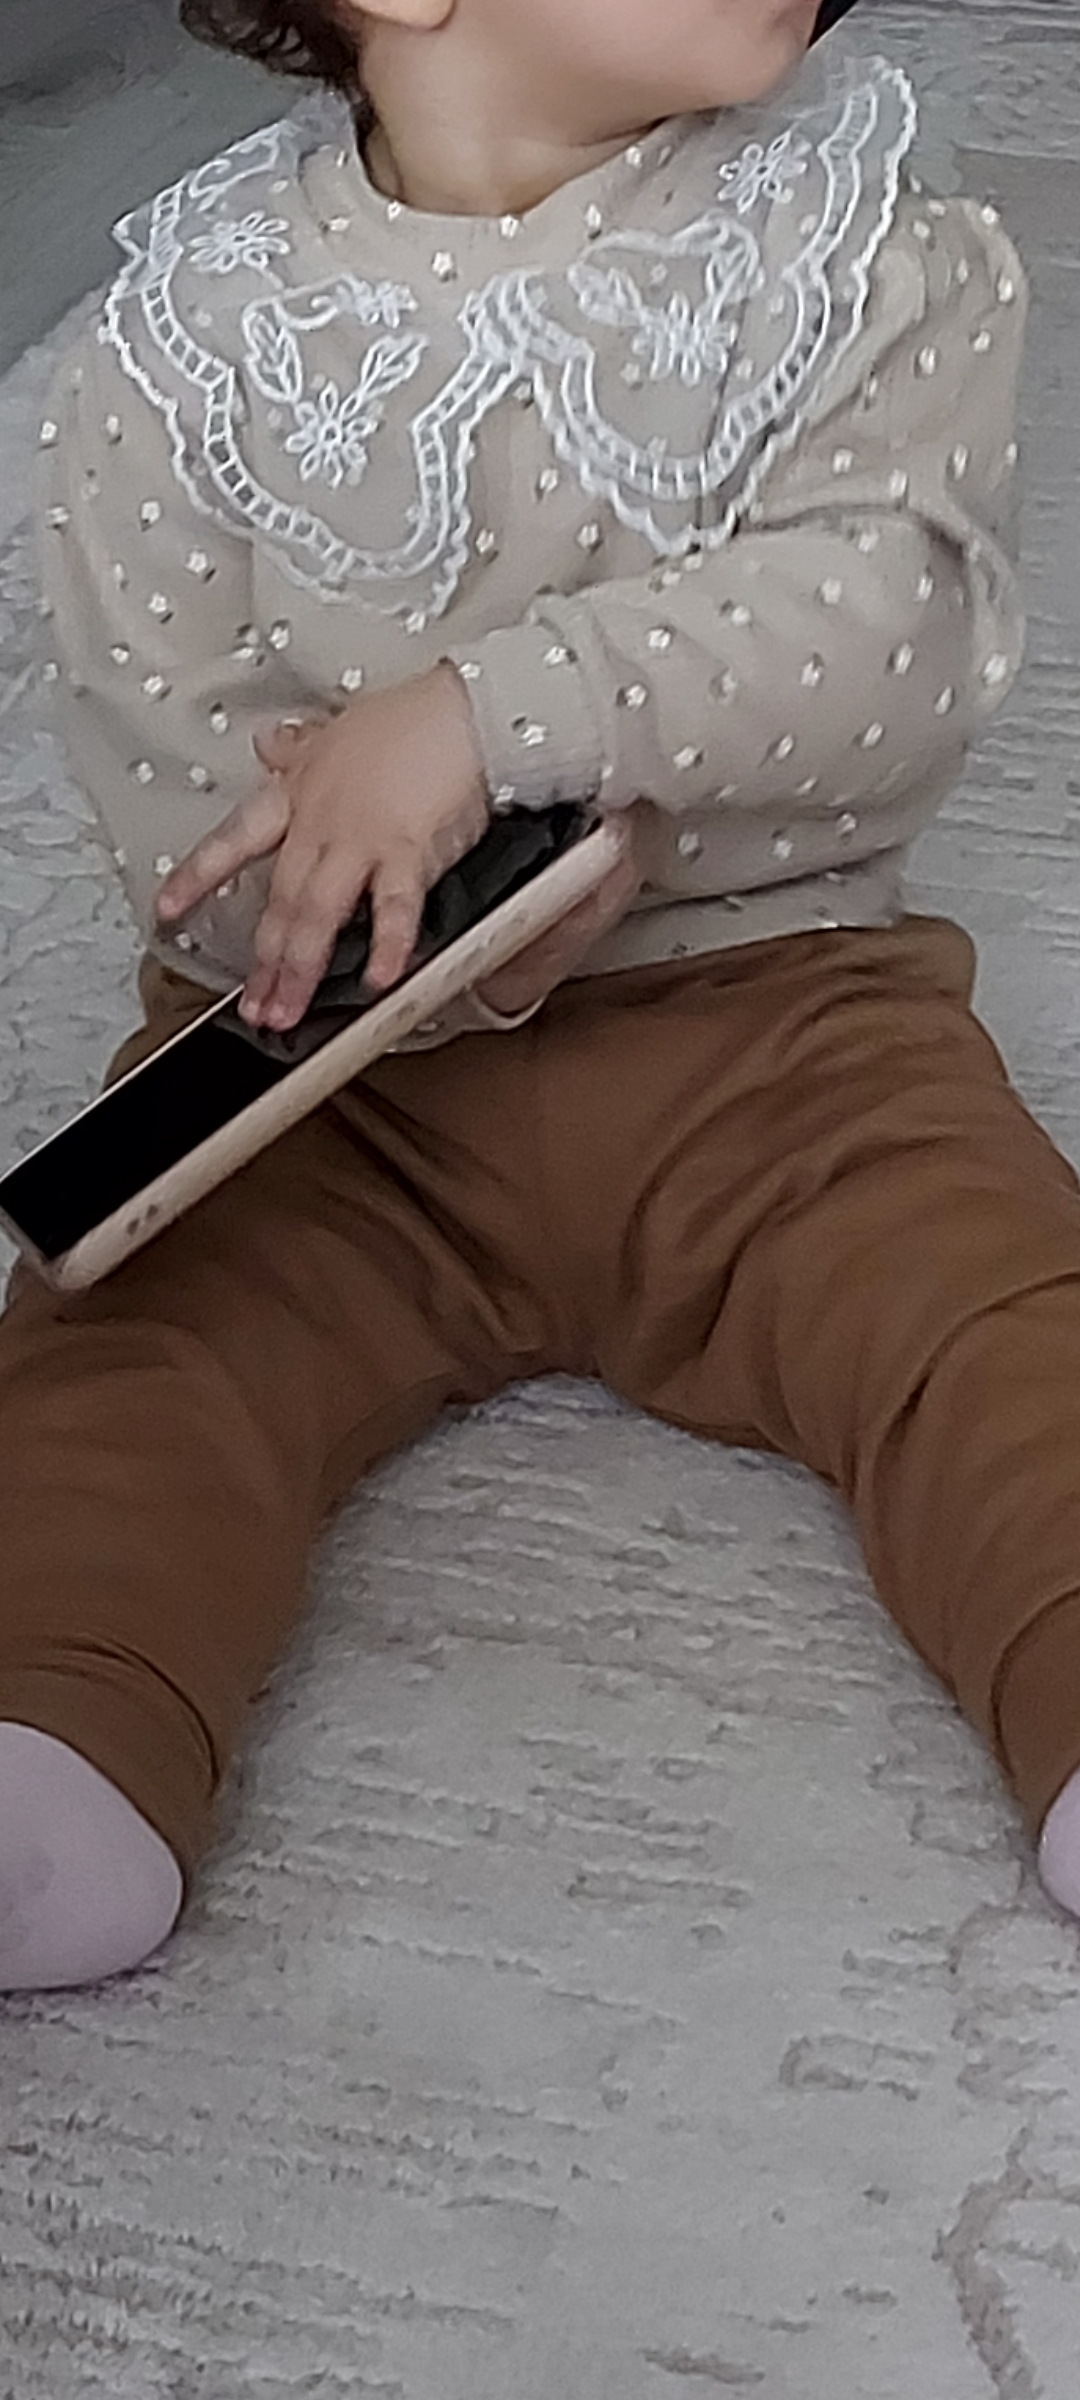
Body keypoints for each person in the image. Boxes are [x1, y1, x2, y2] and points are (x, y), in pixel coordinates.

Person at [2, 0, 1078, 1996]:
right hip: (333, 1087)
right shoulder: (180, 343)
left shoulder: (858, 234)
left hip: (780, 1022)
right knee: (131, 1341)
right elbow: (171, 792)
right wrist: (387, 916)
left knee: (996, 1313)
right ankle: (58, 1723)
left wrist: (498, 721)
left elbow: (898, 625)